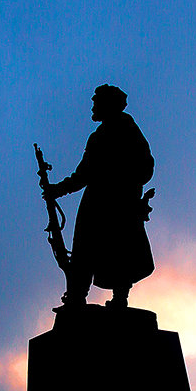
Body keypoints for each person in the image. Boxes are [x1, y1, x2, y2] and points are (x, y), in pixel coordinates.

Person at [45, 85, 155, 309]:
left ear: (108, 104)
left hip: (118, 203)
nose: (93, 107)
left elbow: (146, 165)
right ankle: (76, 297)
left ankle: (119, 297)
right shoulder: (97, 137)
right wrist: (58, 189)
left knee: (120, 249)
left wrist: (124, 184)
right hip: (95, 203)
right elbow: (83, 174)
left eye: (97, 102)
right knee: (84, 251)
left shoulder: (127, 128)